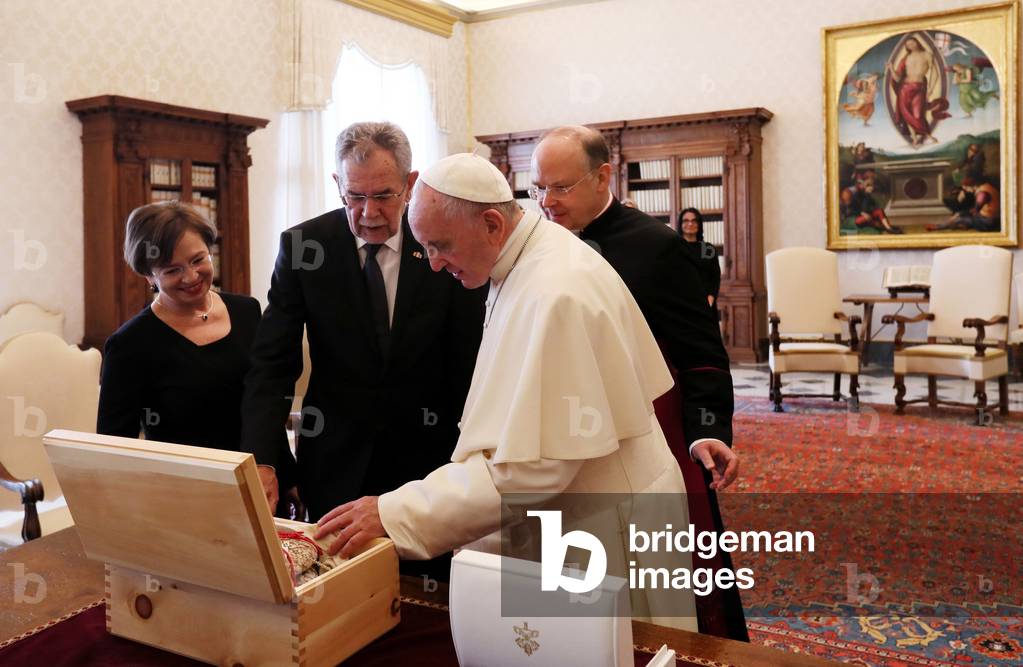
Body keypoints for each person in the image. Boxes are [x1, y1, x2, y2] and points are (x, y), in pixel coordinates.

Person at [316, 153, 734, 629]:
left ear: (492, 223)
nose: (432, 264)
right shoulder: (526, 255)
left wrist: (395, 513)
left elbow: (534, 468)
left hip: (608, 522)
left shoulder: (556, 291)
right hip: (582, 514)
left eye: (440, 246)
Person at [528, 126, 745, 639]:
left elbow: (702, 355)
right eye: (537, 188)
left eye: (561, 187)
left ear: (603, 176)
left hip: (651, 433)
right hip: (564, 436)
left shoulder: (658, 247)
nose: (546, 202)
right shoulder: (534, 246)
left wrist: (707, 429)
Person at [241, 123, 485, 577]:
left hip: (427, 466)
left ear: (411, 185)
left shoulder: (441, 240)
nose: (368, 213)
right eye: (354, 196)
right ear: (337, 184)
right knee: (334, 599)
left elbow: (468, 361)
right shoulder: (304, 246)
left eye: (384, 196)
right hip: (335, 461)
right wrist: (265, 459)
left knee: (426, 606)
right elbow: (271, 363)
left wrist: (470, 465)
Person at [97, 201, 261, 452]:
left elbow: (266, 405)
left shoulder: (247, 312)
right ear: (149, 276)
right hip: (183, 485)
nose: (191, 277)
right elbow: (115, 448)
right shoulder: (130, 344)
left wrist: (286, 476)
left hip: (262, 477)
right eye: (173, 270)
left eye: (198, 260)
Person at [886, 36, 950, 147]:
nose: (911, 45)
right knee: (907, 115)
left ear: (917, 42)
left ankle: (927, 135)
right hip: (904, 89)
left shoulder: (927, 55)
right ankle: (914, 139)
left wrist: (931, 88)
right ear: (906, 47)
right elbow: (897, 79)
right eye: (908, 44)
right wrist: (891, 68)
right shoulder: (905, 59)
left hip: (919, 88)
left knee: (917, 115)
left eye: (912, 42)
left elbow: (935, 73)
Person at [678, 207, 721, 308]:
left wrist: (710, 298)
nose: (690, 224)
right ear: (680, 224)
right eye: (686, 221)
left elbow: (715, 277)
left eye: (694, 221)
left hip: (706, 302)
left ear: (699, 224)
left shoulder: (708, 248)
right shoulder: (675, 248)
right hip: (681, 303)